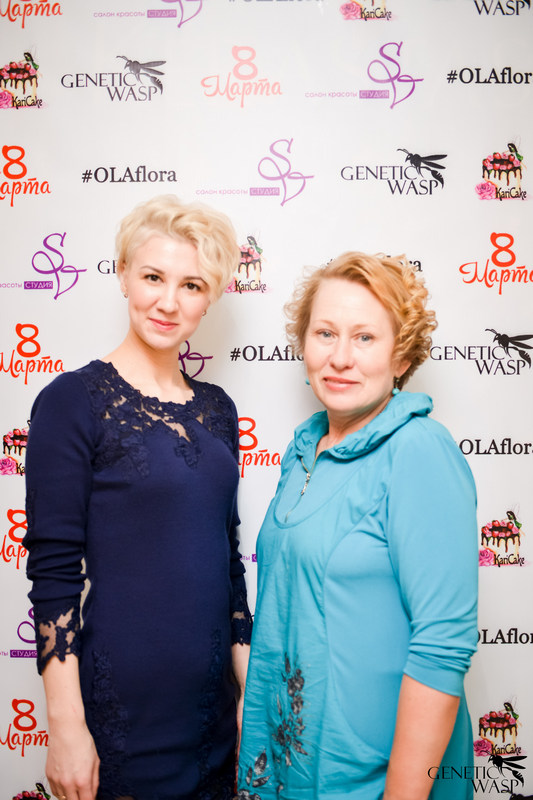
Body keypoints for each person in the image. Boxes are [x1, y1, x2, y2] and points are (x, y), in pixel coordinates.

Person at [24, 195, 252, 800]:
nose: (168, 302)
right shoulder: (73, 400)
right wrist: (65, 727)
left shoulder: (218, 409)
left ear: (211, 297)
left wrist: (248, 698)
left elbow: (227, 562)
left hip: (214, 718)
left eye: (191, 285)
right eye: (153, 277)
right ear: (123, 273)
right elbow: (53, 576)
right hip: (121, 716)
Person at [237, 252, 478, 800]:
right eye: (325, 333)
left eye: (365, 337)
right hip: (293, 764)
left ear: (401, 355)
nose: (340, 357)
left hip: (376, 778)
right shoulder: (303, 451)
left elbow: (443, 644)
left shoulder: (418, 450)